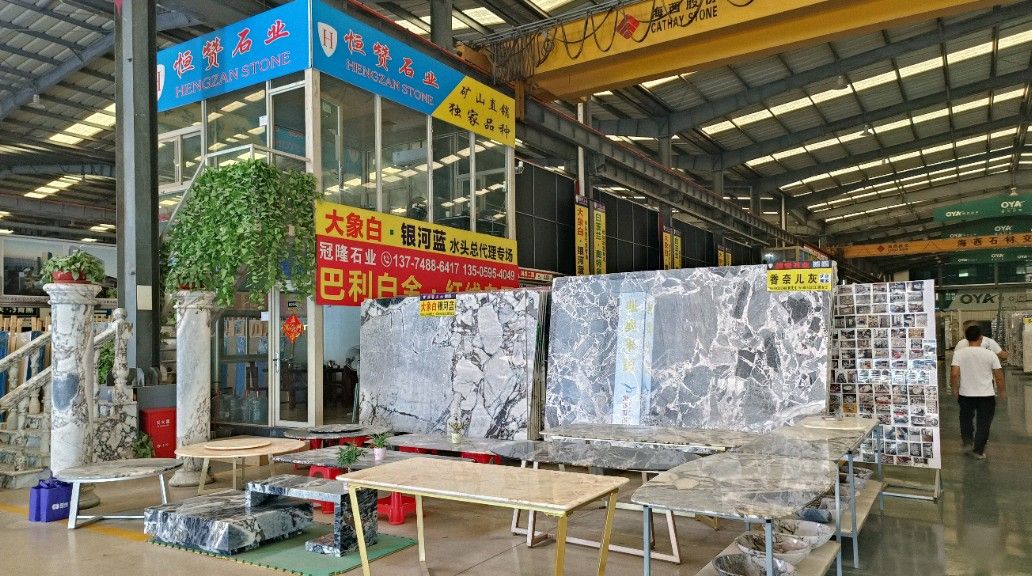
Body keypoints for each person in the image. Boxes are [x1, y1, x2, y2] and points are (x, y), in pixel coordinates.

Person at [951, 325, 1006, 459]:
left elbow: (954, 374)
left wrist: (955, 389)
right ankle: (978, 451)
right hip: (986, 395)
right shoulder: (990, 354)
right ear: (981, 338)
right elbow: (998, 376)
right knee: (984, 423)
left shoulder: (959, 353)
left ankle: (967, 442)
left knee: (965, 420)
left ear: (966, 338)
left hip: (966, 394)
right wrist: (1002, 392)